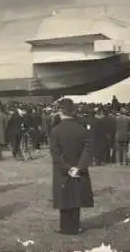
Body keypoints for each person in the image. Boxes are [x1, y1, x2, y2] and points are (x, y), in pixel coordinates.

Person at [49, 98, 94, 235]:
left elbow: (55, 153)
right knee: (76, 197)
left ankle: (65, 227)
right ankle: (75, 226)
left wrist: (67, 168)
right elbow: (88, 150)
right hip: (78, 169)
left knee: (64, 197)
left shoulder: (56, 131)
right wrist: (78, 167)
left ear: (61, 112)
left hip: (63, 170)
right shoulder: (82, 129)